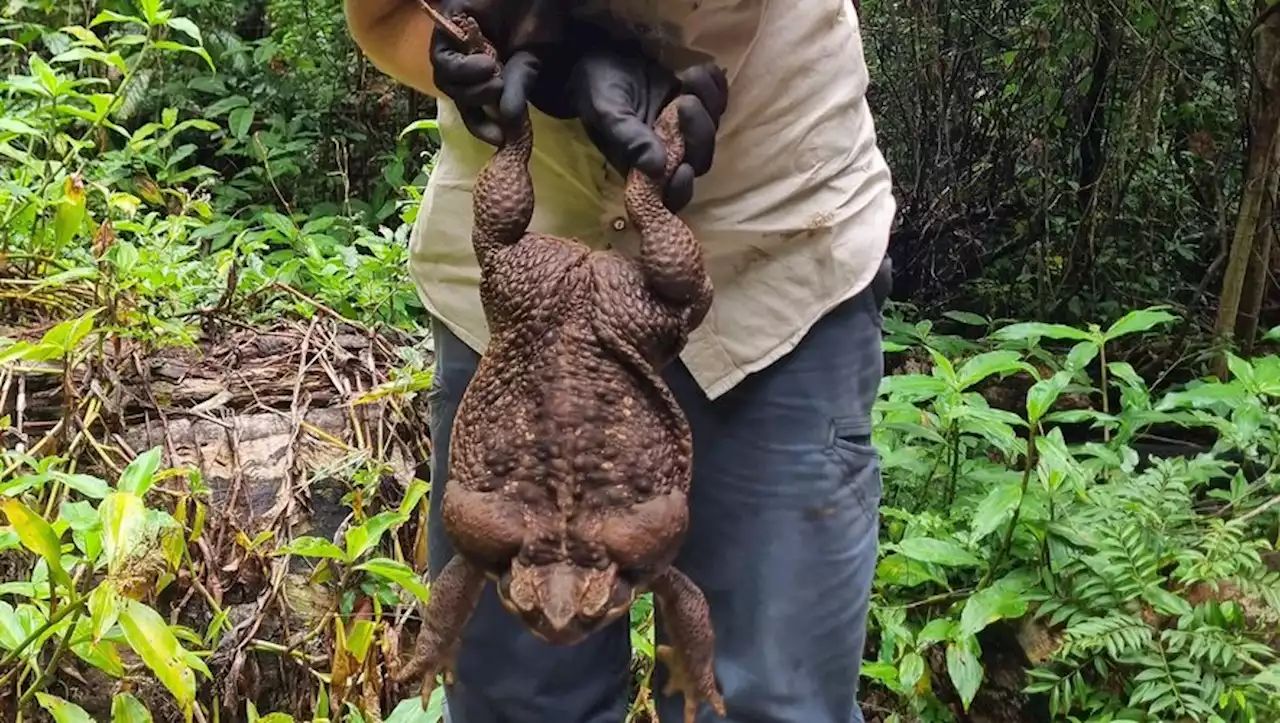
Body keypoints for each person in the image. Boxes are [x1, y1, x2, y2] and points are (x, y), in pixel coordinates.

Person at [342, 1, 896, 722]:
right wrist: (504, 57)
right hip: (523, 288)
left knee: (767, 701)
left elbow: (672, 582)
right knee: (514, 705)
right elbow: (385, 13)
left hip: (767, 247)